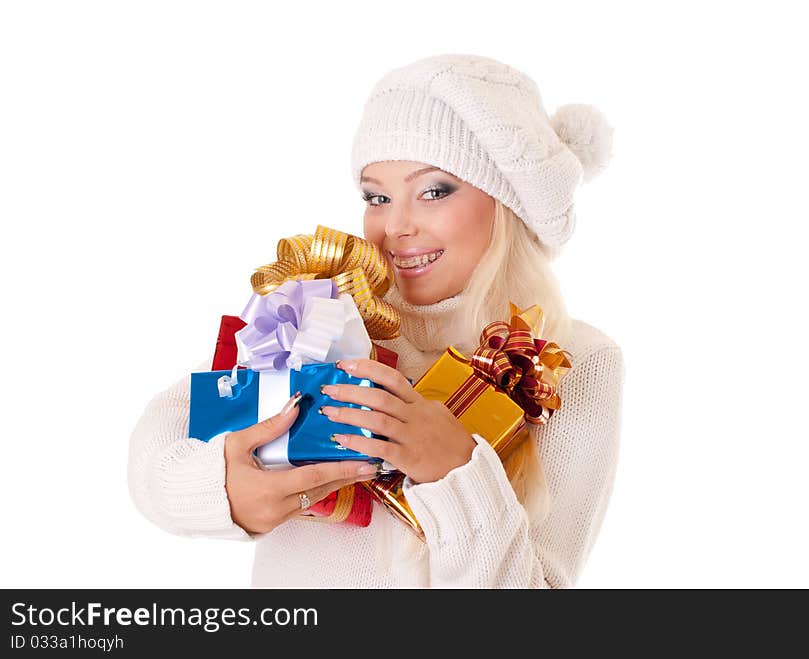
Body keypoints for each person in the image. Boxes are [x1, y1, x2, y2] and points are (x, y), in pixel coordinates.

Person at [128, 53, 624, 588]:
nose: (395, 225)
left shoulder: (573, 361)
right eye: (377, 197)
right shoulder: (328, 317)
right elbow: (159, 448)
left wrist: (456, 472)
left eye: (434, 191)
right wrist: (224, 491)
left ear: (508, 202)